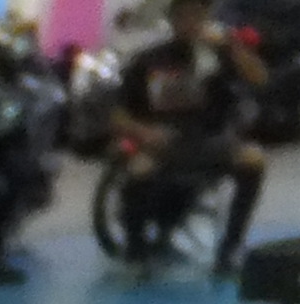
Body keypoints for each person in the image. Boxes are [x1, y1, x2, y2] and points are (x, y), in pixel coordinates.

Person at [114, 0, 268, 272]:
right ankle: (136, 250)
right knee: (138, 170)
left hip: (211, 140)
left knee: (253, 160)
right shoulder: (148, 60)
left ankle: (231, 246)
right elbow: (118, 114)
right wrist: (143, 132)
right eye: (184, 16)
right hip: (164, 145)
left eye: (197, 15)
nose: (191, 22)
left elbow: (259, 78)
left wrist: (233, 47)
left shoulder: (220, 56)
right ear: (173, 19)